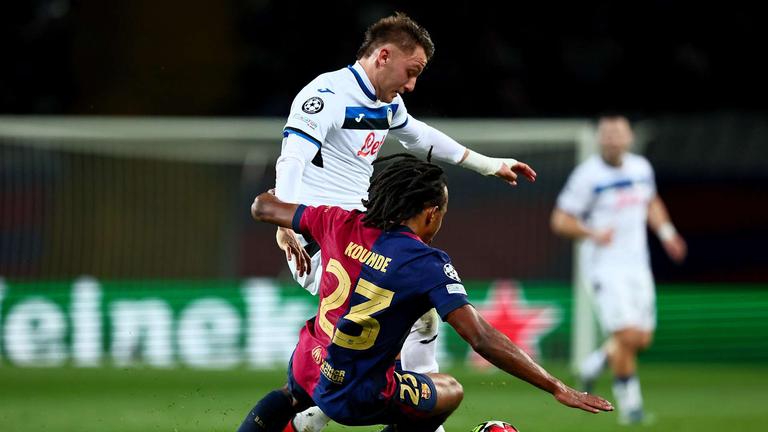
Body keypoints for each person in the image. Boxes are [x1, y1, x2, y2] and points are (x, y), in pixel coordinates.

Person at [272, 12, 536, 432]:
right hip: (320, 238)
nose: (412, 85)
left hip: (360, 230)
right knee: (405, 313)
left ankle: (311, 419)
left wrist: (490, 165)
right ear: (383, 55)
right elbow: (293, 158)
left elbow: (421, 137)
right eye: (410, 72)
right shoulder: (325, 95)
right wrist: (285, 223)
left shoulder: (386, 103)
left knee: (420, 315)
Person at [240, 154, 613, 432]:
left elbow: (262, 206)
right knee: (449, 390)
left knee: (292, 394)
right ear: (431, 213)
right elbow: (481, 338)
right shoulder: (425, 262)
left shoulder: (337, 219)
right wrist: (556, 386)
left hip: (311, 361)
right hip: (358, 393)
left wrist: (283, 224)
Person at [550, 115, 687, 424]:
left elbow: (651, 202)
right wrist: (592, 233)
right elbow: (560, 220)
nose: (613, 139)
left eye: (618, 134)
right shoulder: (586, 176)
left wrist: (668, 235)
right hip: (604, 268)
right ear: (600, 139)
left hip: (637, 264)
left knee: (641, 338)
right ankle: (631, 408)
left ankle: (594, 363)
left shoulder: (641, 168)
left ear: (628, 138)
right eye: (607, 134)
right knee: (625, 334)